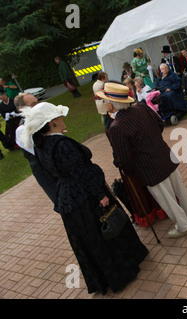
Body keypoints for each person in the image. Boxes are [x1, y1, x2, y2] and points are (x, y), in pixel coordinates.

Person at [19, 101, 148, 295]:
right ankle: (121, 273)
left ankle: (103, 279)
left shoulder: (42, 145)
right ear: (52, 123)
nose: (62, 119)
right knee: (107, 230)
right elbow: (81, 173)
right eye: (58, 117)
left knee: (90, 240)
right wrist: (100, 194)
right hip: (86, 197)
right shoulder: (61, 144)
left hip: (69, 199)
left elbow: (54, 173)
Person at [96, 82, 187, 239]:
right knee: (179, 189)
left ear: (112, 103)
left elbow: (124, 158)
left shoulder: (117, 126)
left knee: (167, 199)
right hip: (164, 156)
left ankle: (184, 225)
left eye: (106, 100)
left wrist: (129, 170)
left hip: (149, 168)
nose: (104, 104)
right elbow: (159, 125)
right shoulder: (142, 108)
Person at [14, 93, 58, 203]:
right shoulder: (21, 130)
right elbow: (42, 149)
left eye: (38, 102)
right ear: (21, 109)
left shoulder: (43, 122)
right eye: (33, 104)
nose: (38, 106)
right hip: (46, 173)